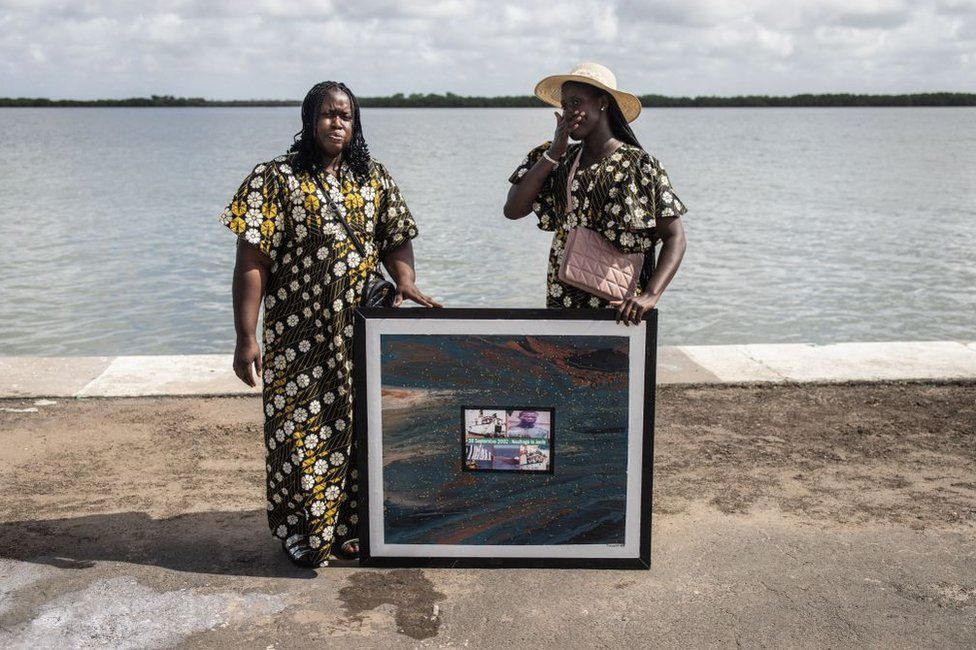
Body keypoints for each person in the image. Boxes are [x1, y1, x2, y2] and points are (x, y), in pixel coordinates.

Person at [219, 81, 441, 568]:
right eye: (326, 115)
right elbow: (252, 260)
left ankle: (348, 525)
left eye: (345, 116)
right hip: (298, 336)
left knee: (358, 429)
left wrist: (405, 281)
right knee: (298, 429)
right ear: (308, 120)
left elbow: (397, 237)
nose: (336, 123)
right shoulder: (275, 178)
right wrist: (246, 335)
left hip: (358, 331)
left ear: (355, 123)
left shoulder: (373, 178)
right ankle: (297, 528)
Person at [504, 62, 687, 324]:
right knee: (563, 363)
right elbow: (513, 210)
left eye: (576, 102)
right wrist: (554, 153)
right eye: (564, 105)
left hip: (622, 306)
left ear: (602, 103)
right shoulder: (552, 157)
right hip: (563, 297)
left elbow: (675, 237)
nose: (568, 113)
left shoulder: (640, 165)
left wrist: (650, 295)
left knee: (617, 365)